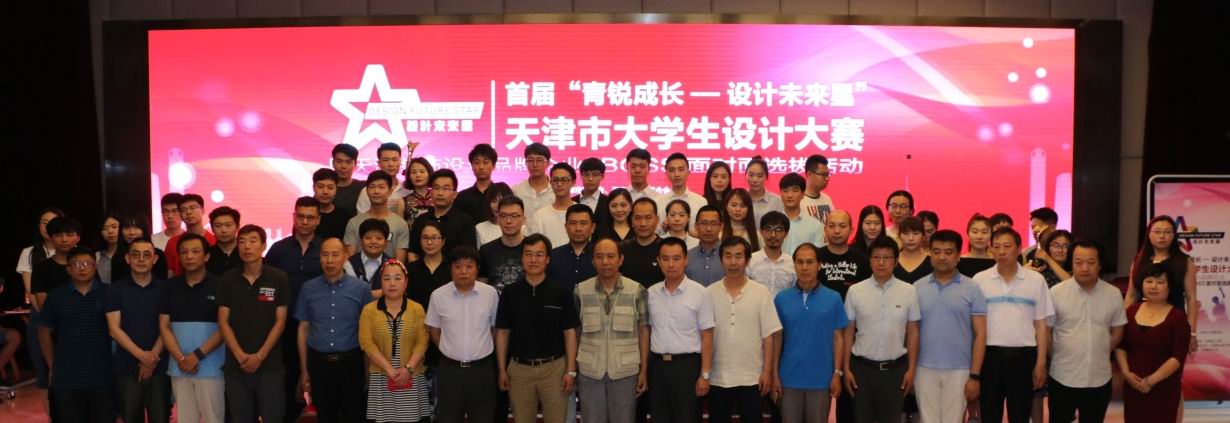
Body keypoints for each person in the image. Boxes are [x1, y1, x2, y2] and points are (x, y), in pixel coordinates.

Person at [496, 234, 581, 423]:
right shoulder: (510, 293)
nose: (533, 259)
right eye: (528, 254)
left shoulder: (561, 292)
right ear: (522, 257)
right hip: (519, 371)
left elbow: (570, 332)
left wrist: (570, 370)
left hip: (554, 369)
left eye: (539, 254)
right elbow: (502, 332)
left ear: (548, 259)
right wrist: (502, 369)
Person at [973, 227, 1053, 423]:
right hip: (989, 357)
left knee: (1020, 415)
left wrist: (1040, 362)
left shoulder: (1035, 280)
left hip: (1023, 358)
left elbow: (1041, 325)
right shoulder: (980, 280)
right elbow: (974, 327)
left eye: (1007, 246)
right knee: (989, 415)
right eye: (996, 246)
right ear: (991, 249)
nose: (1001, 252)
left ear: (1018, 249)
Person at [217, 224, 291, 423]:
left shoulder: (278, 277)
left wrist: (259, 356)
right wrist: (241, 356)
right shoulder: (228, 279)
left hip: (270, 366)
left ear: (264, 246)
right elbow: (223, 321)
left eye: (252, 241)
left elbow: (280, 321)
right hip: (236, 365)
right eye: (242, 242)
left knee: (273, 417)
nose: (247, 246)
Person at [842, 237, 920, 423]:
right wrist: (846, 368)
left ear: (896, 261)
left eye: (887, 257)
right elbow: (848, 331)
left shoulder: (909, 291)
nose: (881, 262)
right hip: (861, 369)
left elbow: (913, 332)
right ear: (870, 260)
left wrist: (911, 369)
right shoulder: (855, 291)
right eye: (876, 257)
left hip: (895, 371)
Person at [572, 237, 650, 423]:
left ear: (620, 259)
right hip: (590, 373)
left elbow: (644, 331)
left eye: (610, 256)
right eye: (599, 257)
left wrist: (644, 370)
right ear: (593, 261)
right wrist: (572, 369)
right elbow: (574, 332)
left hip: (625, 373)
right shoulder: (580, 291)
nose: (605, 262)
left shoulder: (637, 291)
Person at [295, 238, 373, 423]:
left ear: (345, 257)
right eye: (325, 255)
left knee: (354, 416)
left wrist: (368, 370)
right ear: (319, 258)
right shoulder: (308, 288)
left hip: (351, 363)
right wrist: (304, 370)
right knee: (325, 416)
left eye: (335, 255)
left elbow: (368, 332)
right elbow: (303, 329)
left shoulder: (361, 289)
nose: (329, 260)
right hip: (319, 364)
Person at [1048, 239, 1126, 423]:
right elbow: (1046, 332)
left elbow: (1118, 332)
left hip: (1099, 377)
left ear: (1100, 264)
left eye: (1091, 262)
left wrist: (1099, 349)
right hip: (1062, 376)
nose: (1084, 268)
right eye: (1078, 262)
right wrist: (1058, 355)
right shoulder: (1056, 293)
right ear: (1071, 263)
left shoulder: (1113, 294)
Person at [914, 230, 987, 423]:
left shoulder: (972, 288)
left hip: (960, 369)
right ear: (929, 253)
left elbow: (981, 334)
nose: (942, 257)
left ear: (958, 255)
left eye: (948, 252)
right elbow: (911, 334)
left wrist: (975, 375)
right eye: (936, 251)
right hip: (923, 368)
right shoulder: (917, 288)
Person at [708, 237, 783, 423]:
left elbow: (769, 336)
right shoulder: (709, 293)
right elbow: (705, 336)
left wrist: (766, 372)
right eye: (728, 256)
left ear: (747, 260)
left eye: (738, 256)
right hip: (718, 377)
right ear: (721, 259)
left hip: (752, 377)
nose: (733, 262)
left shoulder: (760, 292)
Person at [38, 246, 116, 422]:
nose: (82, 268)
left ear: (95, 267)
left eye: (87, 263)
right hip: (66, 377)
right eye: (77, 264)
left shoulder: (109, 293)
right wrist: (52, 365)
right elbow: (43, 332)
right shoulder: (56, 296)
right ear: (68, 269)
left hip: (103, 375)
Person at [771, 243, 847, 423]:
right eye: (800, 262)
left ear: (819, 265)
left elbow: (838, 338)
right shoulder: (781, 299)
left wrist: (837, 374)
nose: (804, 267)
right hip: (789, 378)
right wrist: (774, 375)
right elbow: (776, 339)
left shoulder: (833, 298)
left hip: (821, 379)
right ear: (794, 265)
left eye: (810, 262)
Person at [267, 197, 325, 423]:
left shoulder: (325, 249)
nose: (305, 221)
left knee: (320, 380)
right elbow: (267, 284)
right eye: (301, 216)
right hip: (284, 325)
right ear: (294, 217)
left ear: (318, 220)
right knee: (287, 378)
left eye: (310, 217)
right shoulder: (278, 249)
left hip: (319, 324)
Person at [158, 232, 227, 423]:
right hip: (179, 366)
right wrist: (181, 359)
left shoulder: (220, 284)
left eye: (195, 251)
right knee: (185, 419)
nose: (189, 256)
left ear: (207, 256)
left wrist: (196, 356)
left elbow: (225, 328)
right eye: (184, 252)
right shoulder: (170, 287)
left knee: (214, 419)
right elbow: (164, 326)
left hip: (212, 367)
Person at [427, 245, 500, 423]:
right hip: (450, 371)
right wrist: (450, 350)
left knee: (484, 418)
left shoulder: (490, 294)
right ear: (451, 269)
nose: (463, 271)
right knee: (448, 418)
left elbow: (495, 329)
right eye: (458, 266)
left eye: (469, 266)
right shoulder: (438, 295)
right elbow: (434, 331)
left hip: (482, 370)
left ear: (477, 269)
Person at [646, 236, 714, 423]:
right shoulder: (651, 293)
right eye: (665, 259)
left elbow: (707, 336)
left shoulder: (700, 293)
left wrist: (705, 374)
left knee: (687, 417)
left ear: (686, 260)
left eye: (676, 258)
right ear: (658, 261)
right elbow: (648, 331)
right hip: (658, 367)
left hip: (687, 367)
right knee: (659, 417)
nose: (671, 264)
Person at [106, 238, 171, 423]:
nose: (141, 260)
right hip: (126, 366)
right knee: (130, 417)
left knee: (160, 418)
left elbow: (167, 327)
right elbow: (114, 329)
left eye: (146, 255)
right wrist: (142, 357)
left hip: (159, 366)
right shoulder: (114, 290)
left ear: (154, 259)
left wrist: (150, 361)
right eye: (135, 255)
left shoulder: (166, 289)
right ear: (127, 259)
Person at [1115, 264, 1190, 423]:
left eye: (1160, 282)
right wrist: (1126, 373)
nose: (1153, 286)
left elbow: (1178, 357)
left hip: (1163, 388)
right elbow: (1121, 346)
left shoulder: (1178, 318)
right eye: (1149, 281)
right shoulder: (1130, 312)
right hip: (1133, 386)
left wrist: (1151, 381)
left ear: (1170, 286)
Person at [360, 258, 432, 423]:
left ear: (406, 282)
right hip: (381, 378)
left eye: (397, 278)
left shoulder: (417, 309)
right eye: (387, 278)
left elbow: (423, 342)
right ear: (381, 282)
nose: (392, 283)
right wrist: (390, 371)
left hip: (412, 376)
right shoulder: (369, 310)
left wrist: (408, 369)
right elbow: (366, 343)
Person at [1124, 215, 1199, 349]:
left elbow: (1191, 297)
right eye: (1157, 231)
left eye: (1167, 232)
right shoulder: (1139, 260)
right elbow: (1131, 295)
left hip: (1173, 321)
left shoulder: (1184, 261)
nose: (1162, 236)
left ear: (1174, 235)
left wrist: (1191, 332)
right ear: (1149, 234)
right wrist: (1123, 325)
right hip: (1141, 320)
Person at [407, 169, 478, 261]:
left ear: (455, 194)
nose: (440, 193)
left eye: (445, 189)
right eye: (436, 188)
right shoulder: (420, 220)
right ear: (431, 192)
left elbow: (470, 255)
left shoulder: (465, 221)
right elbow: (413, 253)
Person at [345, 170, 412, 263]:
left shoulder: (401, 224)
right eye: (372, 187)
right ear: (367, 191)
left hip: (390, 271)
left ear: (390, 191)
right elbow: (350, 259)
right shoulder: (354, 223)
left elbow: (399, 262)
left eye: (381, 187)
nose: (376, 191)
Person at [819, 210, 873, 300]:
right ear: (825, 230)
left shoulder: (862, 260)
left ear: (851, 230)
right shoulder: (815, 257)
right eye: (832, 226)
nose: (837, 231)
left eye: (842, 226)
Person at [480, 196, 528, 293]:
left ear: (523, 219)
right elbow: (481, 288)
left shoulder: (532, 249)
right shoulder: (486, 250)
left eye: (514, 216)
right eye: (503, 216)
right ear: (498, 218)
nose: (508, 221)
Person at [111, 211, 170, 285]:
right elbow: (115, 286)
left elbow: (162, 285)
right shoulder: (117, 256)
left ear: (144, 230)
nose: (131, 232)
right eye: (127, 227)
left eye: (136, 227)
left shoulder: (158, 254)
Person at [166, 193, 216, 277]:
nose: (188, 212)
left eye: (192, 208)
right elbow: (170, 273)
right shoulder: (172, 243)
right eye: (183, 210)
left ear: (203, 210)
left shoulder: (214, 241)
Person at [548, 204, 598, 288]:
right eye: (573, 223)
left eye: (583, 223)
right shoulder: (553, 256)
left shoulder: (601, 256)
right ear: (566, 227)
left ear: (592, 227)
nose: (578, 228)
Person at [529, 162, 578, 248]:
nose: (559, 184)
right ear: (550, 183)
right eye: (555, 180)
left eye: (564, 180)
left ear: (573, 182)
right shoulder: (540, 215)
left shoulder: (581, 212)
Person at [748, 211, 796, 297]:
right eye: (768, 229)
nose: (773, 235)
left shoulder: (793, 263)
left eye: (779, 230)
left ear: (786, 233)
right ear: (761, 232)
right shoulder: (750, 261)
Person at [356, 142, 411, 216]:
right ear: (379, 163)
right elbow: (361, 219)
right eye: (386, 160)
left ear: (400, 162)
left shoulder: (407, 188)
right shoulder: (368, 192)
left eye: (395, 160)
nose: (391, 164)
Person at [621, 197, 665, 288]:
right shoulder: (621, 248)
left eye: (648, 218)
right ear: (631, 221)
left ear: (657, 220)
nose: (643, 224)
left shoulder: (665, 248)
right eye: (638, 218)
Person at [656, 153, 707, 227]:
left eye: (681, 170)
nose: (676, 174)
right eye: (672, 170)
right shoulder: (658, 202)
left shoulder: (701, 202)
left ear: (688, 172)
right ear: (666, 174)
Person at [344, 218, 393, 291]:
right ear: (361, 241)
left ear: (386, 243)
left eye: (379, 238)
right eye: (368, 238)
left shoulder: (392, 265)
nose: (373, 241)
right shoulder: (349, 264)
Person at [778, 173, 822, 254]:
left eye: (795, 190)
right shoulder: (773, 223)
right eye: (785, 191)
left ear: (802, 194)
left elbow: (818, 255)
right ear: (780, 193)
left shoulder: (815, 225)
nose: (790, 195)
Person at [456, 144, 499, 223]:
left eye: (485, 162)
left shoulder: (500, 194)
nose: (481, 167)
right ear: (472, 166)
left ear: (493, 166)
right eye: (477, 163)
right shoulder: (462, 196)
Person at [685, 205, 724, 287]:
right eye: (704, 223)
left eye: (713, 223)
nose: (708, 229)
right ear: (696, 226)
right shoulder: (687, 257)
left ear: (721, 226)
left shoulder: (729, 256)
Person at [512, 142, 555, 215]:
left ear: (548, 163)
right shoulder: (516, 190)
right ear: (526, 163)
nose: (535, 164)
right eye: (531, 160)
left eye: (539, 160)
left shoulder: (556, 190)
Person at [314, 168, 356, 241]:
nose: (325, 192)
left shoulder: (346, 218)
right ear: (313, 188)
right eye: (320, 187)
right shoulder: (305, 215)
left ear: (336, 189)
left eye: (330, 188)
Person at [893, 216, 933, 284]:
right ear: (899, 236)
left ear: (923, 236)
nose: (911, 238)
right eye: (906, 233)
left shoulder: (932, 261)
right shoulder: (891, 261)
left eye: (916, 233)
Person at [746, 156, 783, 227]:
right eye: (751, 175)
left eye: (759, 176)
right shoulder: (739, 198)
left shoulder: (777, 201)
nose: (755, 180)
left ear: (766, 177)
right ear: (746, 175)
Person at [330, 143, 366, 216]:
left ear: (355, 164)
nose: (343, 166)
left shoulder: (364, 188)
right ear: (333, 163)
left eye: (348, 162)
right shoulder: (325, 189)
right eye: (339, 161)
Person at [206, 206, 243, 276]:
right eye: (218, 226)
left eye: (228, 225)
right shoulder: (206, 256)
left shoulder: (246, 253)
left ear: (238, 227)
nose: (223, 230)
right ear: (212, 229)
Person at [799, 154, 836, 226]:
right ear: (809, 174)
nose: (827, 178)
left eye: (827, 174)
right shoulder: (798, 201)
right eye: (823, 175)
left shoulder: (827, 198)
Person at [403, 157, 436, 227]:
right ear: (409, 176)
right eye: (413, 172)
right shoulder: (403, 201)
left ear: (429, 173)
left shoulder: (437, 197)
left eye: (422, 171)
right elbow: (399, 228)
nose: (418, 175)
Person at [575, 157, 610, 223]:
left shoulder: (609, 202)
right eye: (586, 174)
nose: (590, 178)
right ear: (581, 176)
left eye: (595, 174)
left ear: (602, 176)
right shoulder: (572, 201)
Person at [95, 211, 121, 283]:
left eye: (114, 227)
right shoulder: (97, 257)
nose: (110, 231)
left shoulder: (129, 254)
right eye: (104, 228)